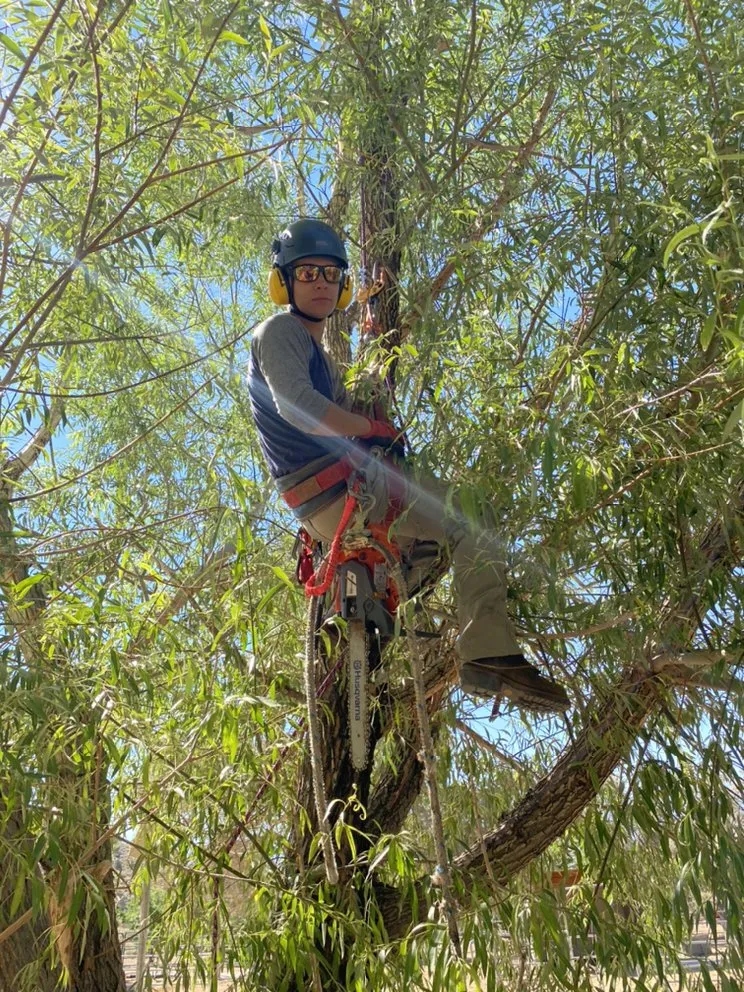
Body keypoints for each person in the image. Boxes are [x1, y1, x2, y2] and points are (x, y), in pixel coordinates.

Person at [247, 218, 570, 714]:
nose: (321, 283)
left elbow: (333, 408)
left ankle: (376, 594)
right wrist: (370, 428)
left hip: (326, 501)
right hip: (341, 492)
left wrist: (370, 389)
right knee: (472, 512)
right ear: (282, 282)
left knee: (435, 547)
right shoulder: (280, 331)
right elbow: (299, 408)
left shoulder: (317, 354)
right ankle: (489, 656)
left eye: (330, 274)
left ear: (343, 285)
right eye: (307, 273)